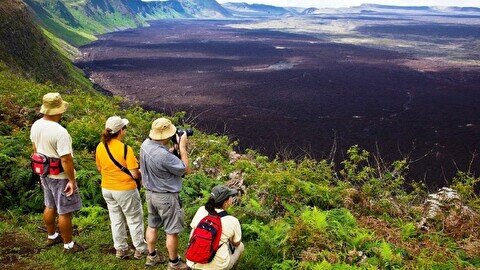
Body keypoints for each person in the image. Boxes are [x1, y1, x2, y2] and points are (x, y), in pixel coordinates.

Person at [30, 92, 84, 253]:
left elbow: (35, 149)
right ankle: (69, 245)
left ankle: (52, 236)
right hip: (60, 177)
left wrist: (41, 171)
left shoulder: (36, 125)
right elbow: (66, 159)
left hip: (44, 173)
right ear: (58, 111)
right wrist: (72, 180)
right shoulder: (60, 132)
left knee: (49, 205)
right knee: (64, 211)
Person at [140, 118, 191, 269]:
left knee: (152, 224)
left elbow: (162, 157)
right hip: (166, 197)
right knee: (171, 231)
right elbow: (186, 169)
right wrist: (182, 147)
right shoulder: (163, 156)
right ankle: (174, 263)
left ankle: (152, 256)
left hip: (150, 194)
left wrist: (173, 149)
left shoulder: (145, 145)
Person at [95, 116, 148, 259]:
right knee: (134, 218)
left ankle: (121, 249)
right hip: (125, 189)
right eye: (124, 128)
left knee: (116, 219)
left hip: (107, 188)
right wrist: (141, 172)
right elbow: (135, 174)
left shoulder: (100, 146)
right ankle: (141, 249)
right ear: (121, 131)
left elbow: (99, 168)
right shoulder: (125, 149)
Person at [186, 185, 244, 270]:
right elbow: (236, 243)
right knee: (240, 246)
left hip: (192, 260)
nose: (232, 198)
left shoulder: (201, 209)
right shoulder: (232, 220)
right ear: (225, 202)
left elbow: (194, 229)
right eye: (230, 197)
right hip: (217, 266)